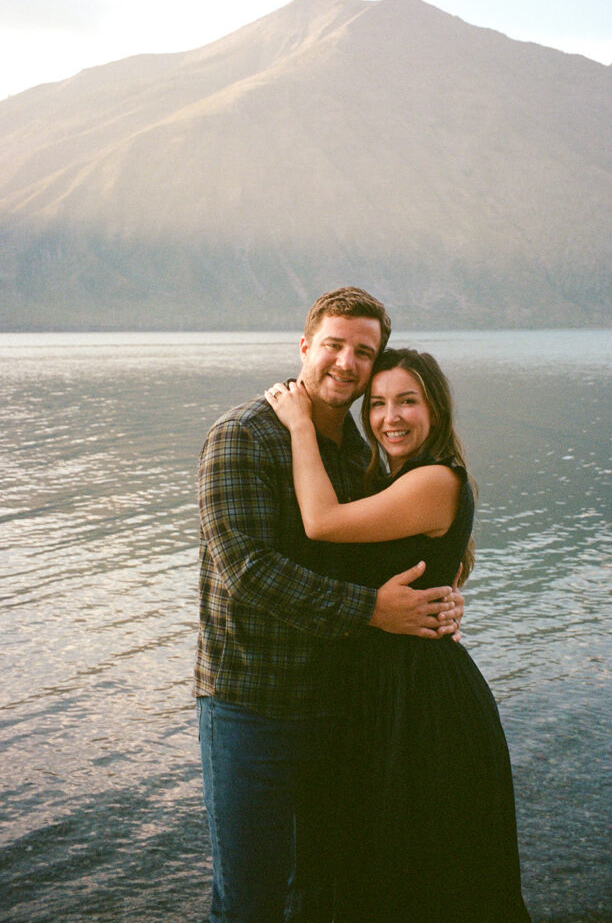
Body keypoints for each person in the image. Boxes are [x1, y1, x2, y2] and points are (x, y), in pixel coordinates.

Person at [195, 288, 465, 923]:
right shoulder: (241, 438)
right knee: (250, 901)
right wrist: (374, 610)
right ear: (304, 348)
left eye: (363, 352)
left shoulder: (365, 452)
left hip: (346, 706)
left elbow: (399, 546)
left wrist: (437, 599)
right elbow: (248, 572)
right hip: (254, 707)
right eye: (334, 346)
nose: (346, 363)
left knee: (327, 894)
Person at [265, 347, 531, 923]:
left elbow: (323, 522)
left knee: (428, 875)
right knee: (388, 869)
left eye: (407, 401)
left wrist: (300, 424)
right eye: (378, 404)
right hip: (387, 694)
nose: (390, 417)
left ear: (434, 408)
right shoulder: (398, 481)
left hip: (424, 704)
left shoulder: (435, 479)